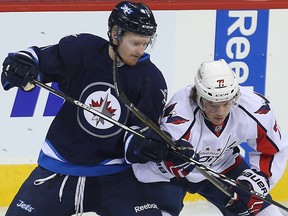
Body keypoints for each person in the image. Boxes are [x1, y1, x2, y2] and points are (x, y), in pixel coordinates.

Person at [1, 1, 187, 215]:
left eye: (146, 43)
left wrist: (144, 146)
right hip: (58, 171)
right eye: (135, 43)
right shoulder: (83, 49)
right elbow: (35, 58)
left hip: (115, 178)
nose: (141, 50)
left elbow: (138, 136)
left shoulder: (151, 79)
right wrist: (19, 66)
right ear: (116, 34)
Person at [131, 59, 288, 215]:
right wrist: (170, 155)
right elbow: (161, 156)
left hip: (221, 164)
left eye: (226, 103)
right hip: (167, 174)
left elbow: (274, 150)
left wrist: (255, 183)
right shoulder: (181, 112)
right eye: (212, 104)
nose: (220, 112)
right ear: (199, 98)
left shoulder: (255, 108)